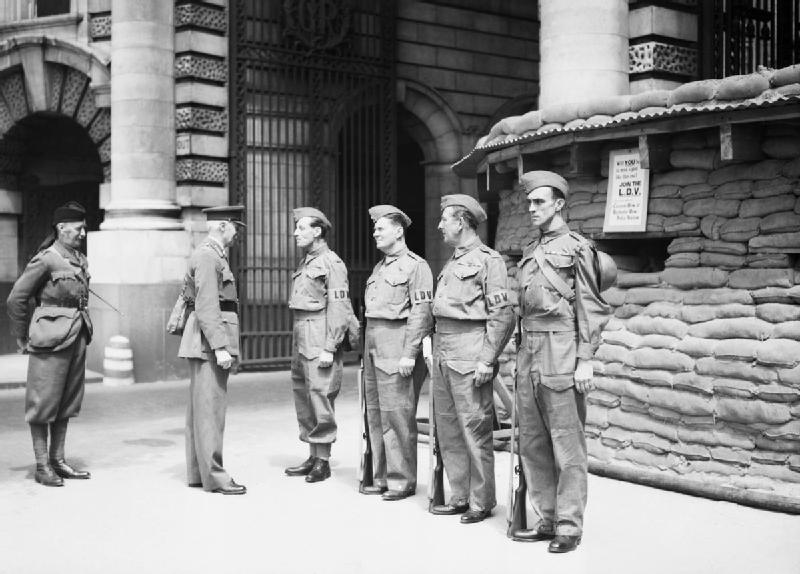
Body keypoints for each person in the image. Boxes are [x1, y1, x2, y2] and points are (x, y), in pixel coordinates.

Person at [510, 171, 611, 553]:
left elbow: (590, 306)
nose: (532, 208)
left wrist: (585, 359)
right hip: (529, 351)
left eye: (539, 201)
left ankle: (569, 525)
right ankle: (547, 518)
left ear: (559, 204)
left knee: (567, 445)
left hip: (562, 347)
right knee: (533, 443)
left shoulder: (578, 248)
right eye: (529, 202)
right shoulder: (528, 251)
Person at [429, 194, 515, 524]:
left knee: (475, 428)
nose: (440, 225)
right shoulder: (452, 261)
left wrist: (487, 359)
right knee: (448, 427)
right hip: (444, 349)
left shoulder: (489, 261)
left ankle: (481, 501)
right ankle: (459, 495)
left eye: (445, 219)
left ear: (462, 222)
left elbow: (502, 314)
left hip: (470, 349)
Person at [6, 201, 93, 487]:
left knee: (66, 401)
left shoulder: (79, 259)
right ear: (61, 228)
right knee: (43, 401)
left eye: (83, 228)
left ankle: (58, 460)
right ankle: (43, 465)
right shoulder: (46, 259)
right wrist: (22, 335)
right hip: (50, 338)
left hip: (77, 334)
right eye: (78, 228)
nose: (83, 233)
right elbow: (16, 298)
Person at [362, 204, 433, 501]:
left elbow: (421, 311)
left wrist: (410, 352)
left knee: (397, 415)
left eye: (380, 228)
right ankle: (380, 476)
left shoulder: (416, 266)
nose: (375, 233)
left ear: (399, 231)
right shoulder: (380, 267)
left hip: (397, 344)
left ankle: (401, 480)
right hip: (373, 345)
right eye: (374, 229)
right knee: (375, 413)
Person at [178, 205, 247, 495]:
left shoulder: (211, 254)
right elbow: (207, 305)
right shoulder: (208, 256)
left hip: (205, 341)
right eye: (235, 228)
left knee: (201, 410)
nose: (237, 234)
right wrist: (220, 347)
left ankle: (200, 473)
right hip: (209, 343)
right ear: (223, 226)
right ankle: (215, 477)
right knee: (211, 411)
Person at [285, 207, 350, 483]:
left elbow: (339, 307)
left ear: (317, 231)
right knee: (303, 394)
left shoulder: (332, 263)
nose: (295, 233)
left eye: (301, 228)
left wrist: (330, 346)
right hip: (301, 332)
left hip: (320, 333)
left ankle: (323, 460)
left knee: (320, 394)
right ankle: (312, 454)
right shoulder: (306, 262)